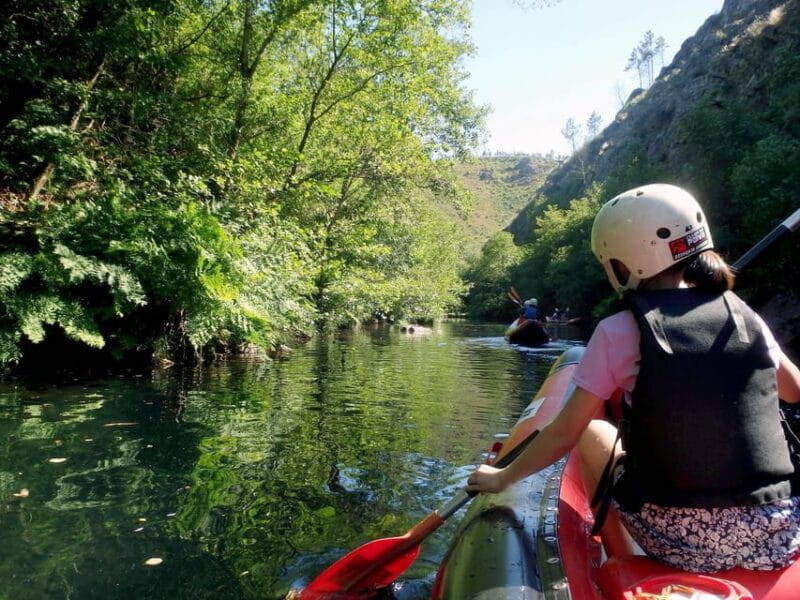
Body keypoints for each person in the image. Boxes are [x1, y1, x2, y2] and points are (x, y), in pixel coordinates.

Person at [466, 183, 800, 573]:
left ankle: (624, 557)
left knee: (591, 431)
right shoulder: (743, 314)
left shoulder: (618, 330)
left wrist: (502, 477)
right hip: (777, 532)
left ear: (622, 262)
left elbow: (563, 434)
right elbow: (792, 391)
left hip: (681, 539)